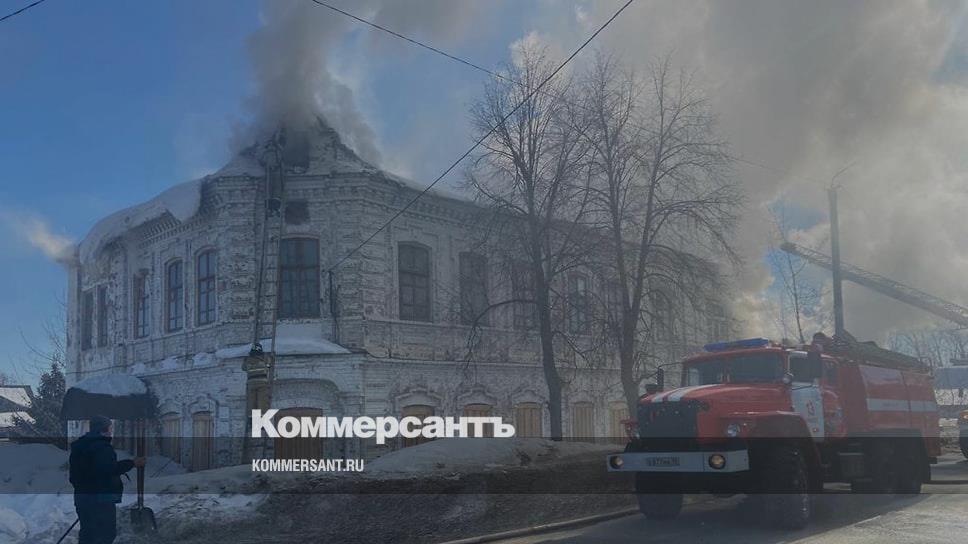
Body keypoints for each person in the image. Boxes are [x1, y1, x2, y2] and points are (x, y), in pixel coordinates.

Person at [68, 416, 146, 544]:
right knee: (105, 535)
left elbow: (75, 477)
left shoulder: (79, 446)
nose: (111, 431)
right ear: (102, 429)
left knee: (88, 535)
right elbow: (109, 469)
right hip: (100, 501)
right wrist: (133, 463)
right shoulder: (101, 447)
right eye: (110, 428)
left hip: (82, 499)